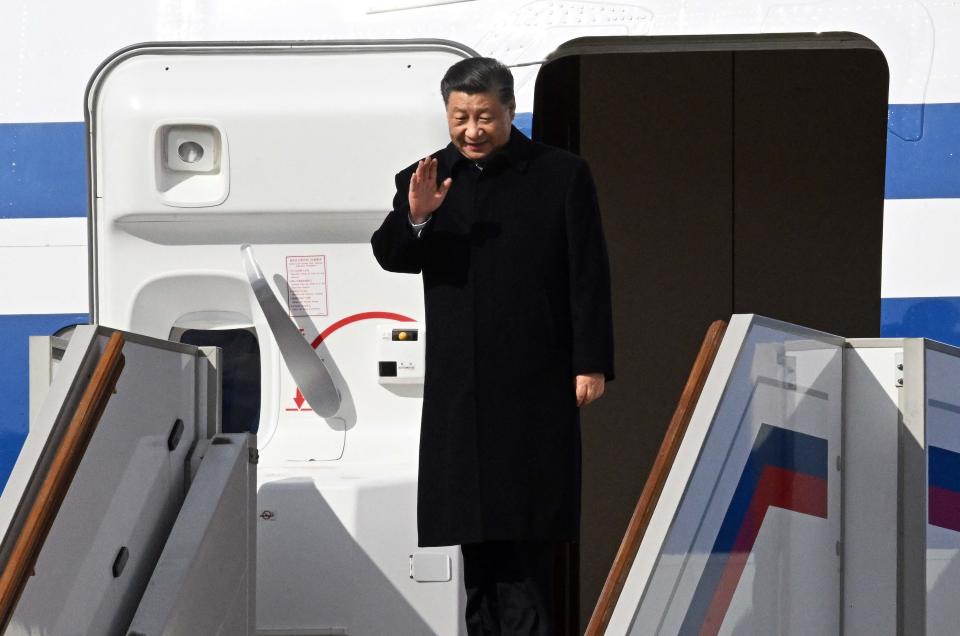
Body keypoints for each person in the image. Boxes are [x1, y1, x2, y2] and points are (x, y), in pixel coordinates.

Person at [371, 57, 614, 635]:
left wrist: (592, 361)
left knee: (528, 538)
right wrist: (417, 216)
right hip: (464, 388)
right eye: (460, 117)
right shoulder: (427, 176)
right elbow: (391, 255)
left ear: (509, 110)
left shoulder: (560, 174)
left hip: (537, 380)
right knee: (476, 542)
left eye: (485, 117)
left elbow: (589, 271)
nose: (472, 130)